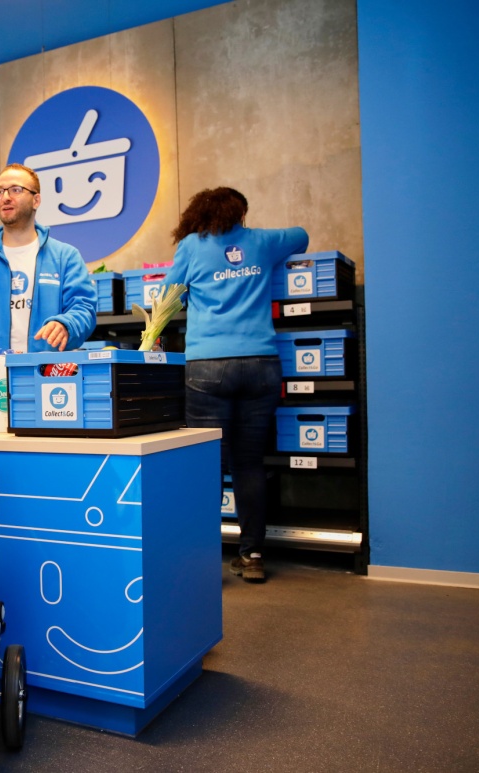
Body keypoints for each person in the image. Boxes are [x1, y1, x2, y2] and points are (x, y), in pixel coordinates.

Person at [163, 187, 308, 583]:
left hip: (209, 366)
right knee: (249, 464)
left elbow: (165, 297)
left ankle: (203, 559)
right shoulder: (262, 241)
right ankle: (253, 555)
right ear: (240, 213)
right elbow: (302, 235)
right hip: (261, 365)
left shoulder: (193, 246)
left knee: (207, 466)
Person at [0, 163, 96, 352]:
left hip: (47, 374)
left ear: (36, 200)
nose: (5, 197)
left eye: (15, 190)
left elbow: (84, 309)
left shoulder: (65, 257)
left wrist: (67, 325)